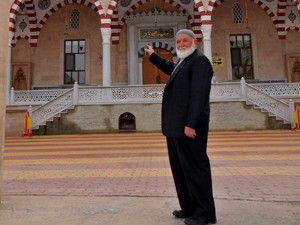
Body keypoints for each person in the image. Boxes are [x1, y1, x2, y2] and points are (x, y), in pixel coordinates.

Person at [144, 29, 216, 225]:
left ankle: (205, 213)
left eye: (185, 40)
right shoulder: (184, 61)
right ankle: (189, 207)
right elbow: (170, 68)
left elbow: (199, 96)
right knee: (180, 169)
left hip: (189, 128)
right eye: (178, 41)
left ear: (195, 42)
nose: (181, 44)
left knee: (195, 169)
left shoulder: (200, 61)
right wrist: (153, 56)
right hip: (175, 128)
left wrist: (191, 124)